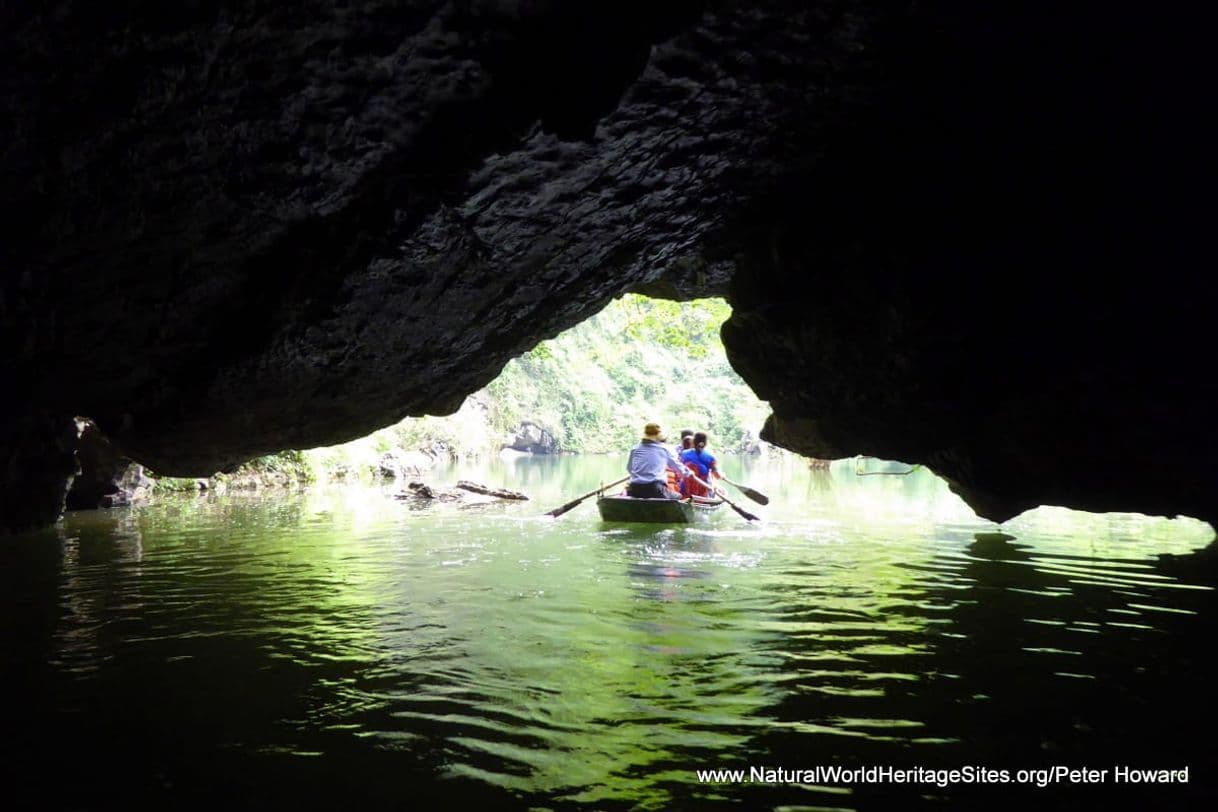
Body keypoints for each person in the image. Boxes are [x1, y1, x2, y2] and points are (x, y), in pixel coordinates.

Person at [626, 423, 688, 499]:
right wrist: (689, 473)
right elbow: (678, 467)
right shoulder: (664, 449)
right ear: (659, 435)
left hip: (634, 488)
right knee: (679, 496)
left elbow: (629, 469)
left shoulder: (635, 448)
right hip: (655, 489)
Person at [680, 431, 721, 498]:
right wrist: (722, 476)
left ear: (693, 442)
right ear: (705, 443)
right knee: (713, 486)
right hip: (701, 494)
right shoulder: (711, 458)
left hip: (684, 491)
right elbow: (717, 476)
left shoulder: (684, 453)